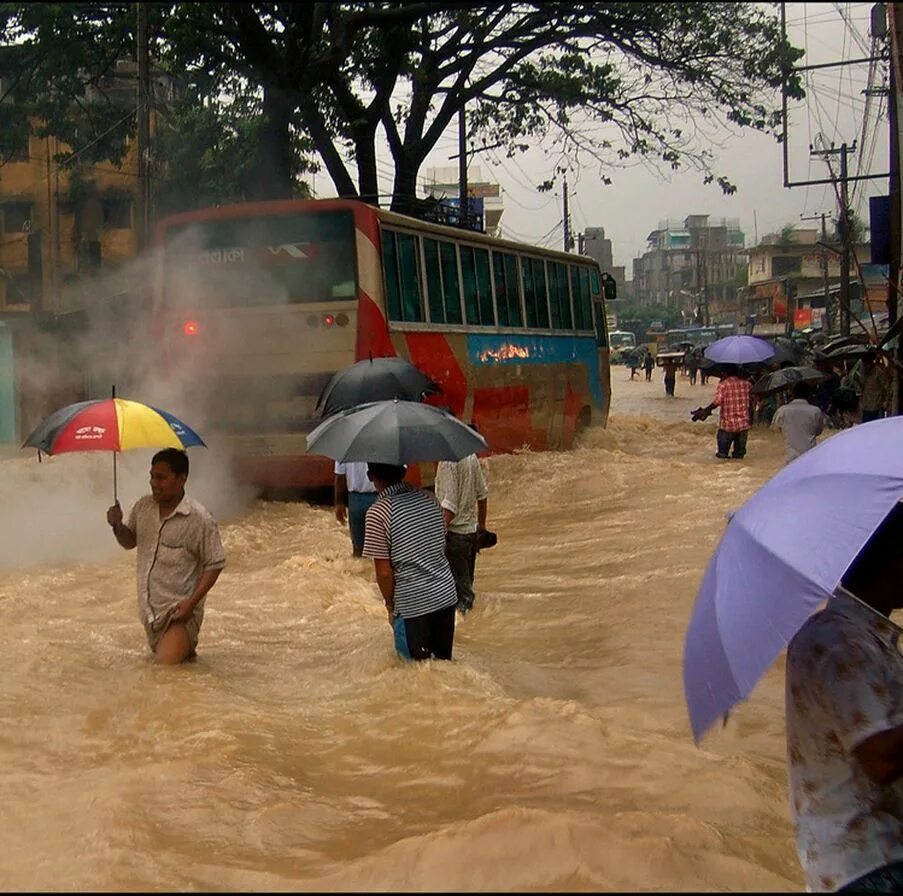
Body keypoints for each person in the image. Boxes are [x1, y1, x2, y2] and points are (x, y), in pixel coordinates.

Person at [785, 502, 903, 893]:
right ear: (893, 562)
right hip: (869, 863)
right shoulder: (841, 643)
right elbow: (882, 757)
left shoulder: (863, 638)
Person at [106, 447, 226, 664]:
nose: (153, 483)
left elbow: (215, 563)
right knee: (173, 677)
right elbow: (129, 541)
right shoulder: (143, 507)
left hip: (179, 616)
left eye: (161, 477)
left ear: (182, 480)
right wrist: (116, 526)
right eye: (151, 476)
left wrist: (191, 603)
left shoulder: (199, 518)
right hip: (150, 616)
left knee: (163, 675)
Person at [362, 462, 458, 661]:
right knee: (442, 668)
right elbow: (440, 544)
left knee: (414, 672)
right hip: (446, 596)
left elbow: (384, 572)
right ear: (404, 471)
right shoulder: (430, 499)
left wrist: (389, 605)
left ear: (370, 476)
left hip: (412, 605)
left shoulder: (378, 513)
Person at [434, 450, 489, 615]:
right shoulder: (471, 456)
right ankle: (470, 629)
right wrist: (481, 526)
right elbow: (483, 494)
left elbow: (449, 507)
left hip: (454, 537)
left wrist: (435, 539)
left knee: (458, 597)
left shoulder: (447, 462)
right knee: (466, 590)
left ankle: (462, 633)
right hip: (471, 534)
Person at [691, 367, 752, 459]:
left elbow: (717, 401)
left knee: (722, 457)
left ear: (724, 373)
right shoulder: (747, 385)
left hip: (727, 426)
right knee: (739, 457)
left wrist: (706, 410)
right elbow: (753, 402)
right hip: (743, 425)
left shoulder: (723, 385)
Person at [771, 382, 829, 463]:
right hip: (810, 456)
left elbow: (775, 430)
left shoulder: (782, 411)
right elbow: (818, 431)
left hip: (790, 458)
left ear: (793, 394)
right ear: (809, 395)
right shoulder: (816, 411)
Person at [334, 460, 378, 557]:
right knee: (381, 548)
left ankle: (359, 569)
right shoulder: (385, 445)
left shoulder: (345, 446)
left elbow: (339, 476)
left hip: (356, 501)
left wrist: (339, 503)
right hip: (380, 497)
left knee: (358, 549)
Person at [859, 353, 890, 423]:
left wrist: (885, 402)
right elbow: (862, 388)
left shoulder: (878, 372)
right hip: (866, 406)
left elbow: (886, 388)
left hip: (876, 406)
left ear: (871, 363)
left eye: (867, 364)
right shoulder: (864, 374)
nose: (865, 366)